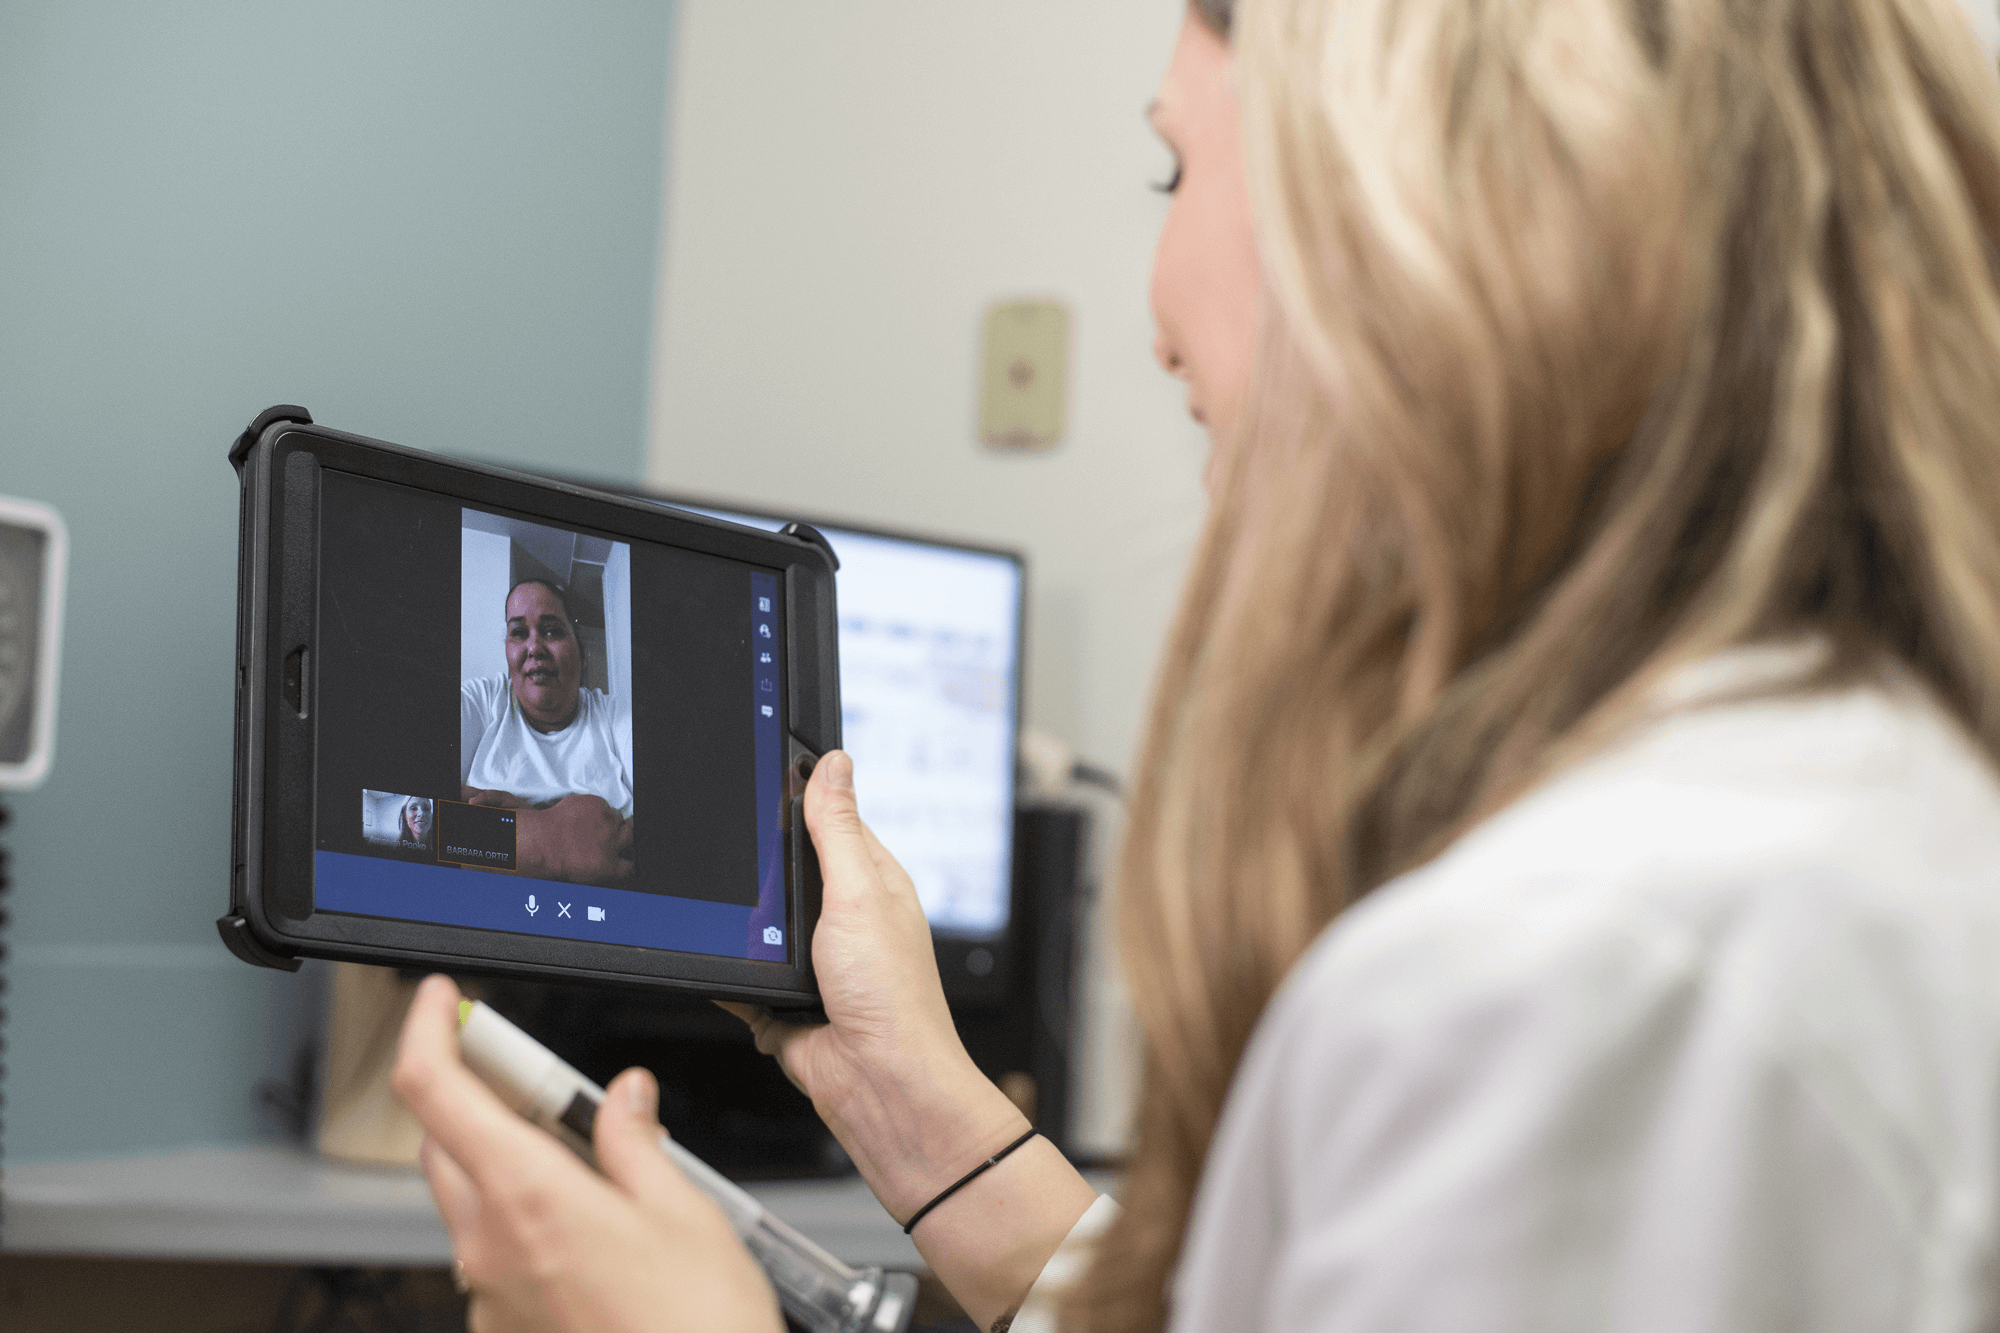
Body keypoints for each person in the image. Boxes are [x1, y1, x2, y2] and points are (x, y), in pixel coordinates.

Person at [393, 0, 2000, 1330]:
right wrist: (920, 1109)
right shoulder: (1832, 823)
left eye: (1176, 178)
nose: (1158, 326)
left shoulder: (1583, 965)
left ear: (1413, 220)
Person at [460, 578, 634, 885]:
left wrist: (507, 830)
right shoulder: (482, 701)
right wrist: (550, 839)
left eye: (552, 630)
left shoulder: (616, 717)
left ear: (580, 651)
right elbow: (408, 818)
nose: (534, 647)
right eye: (518, 633)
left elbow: (678, 826)